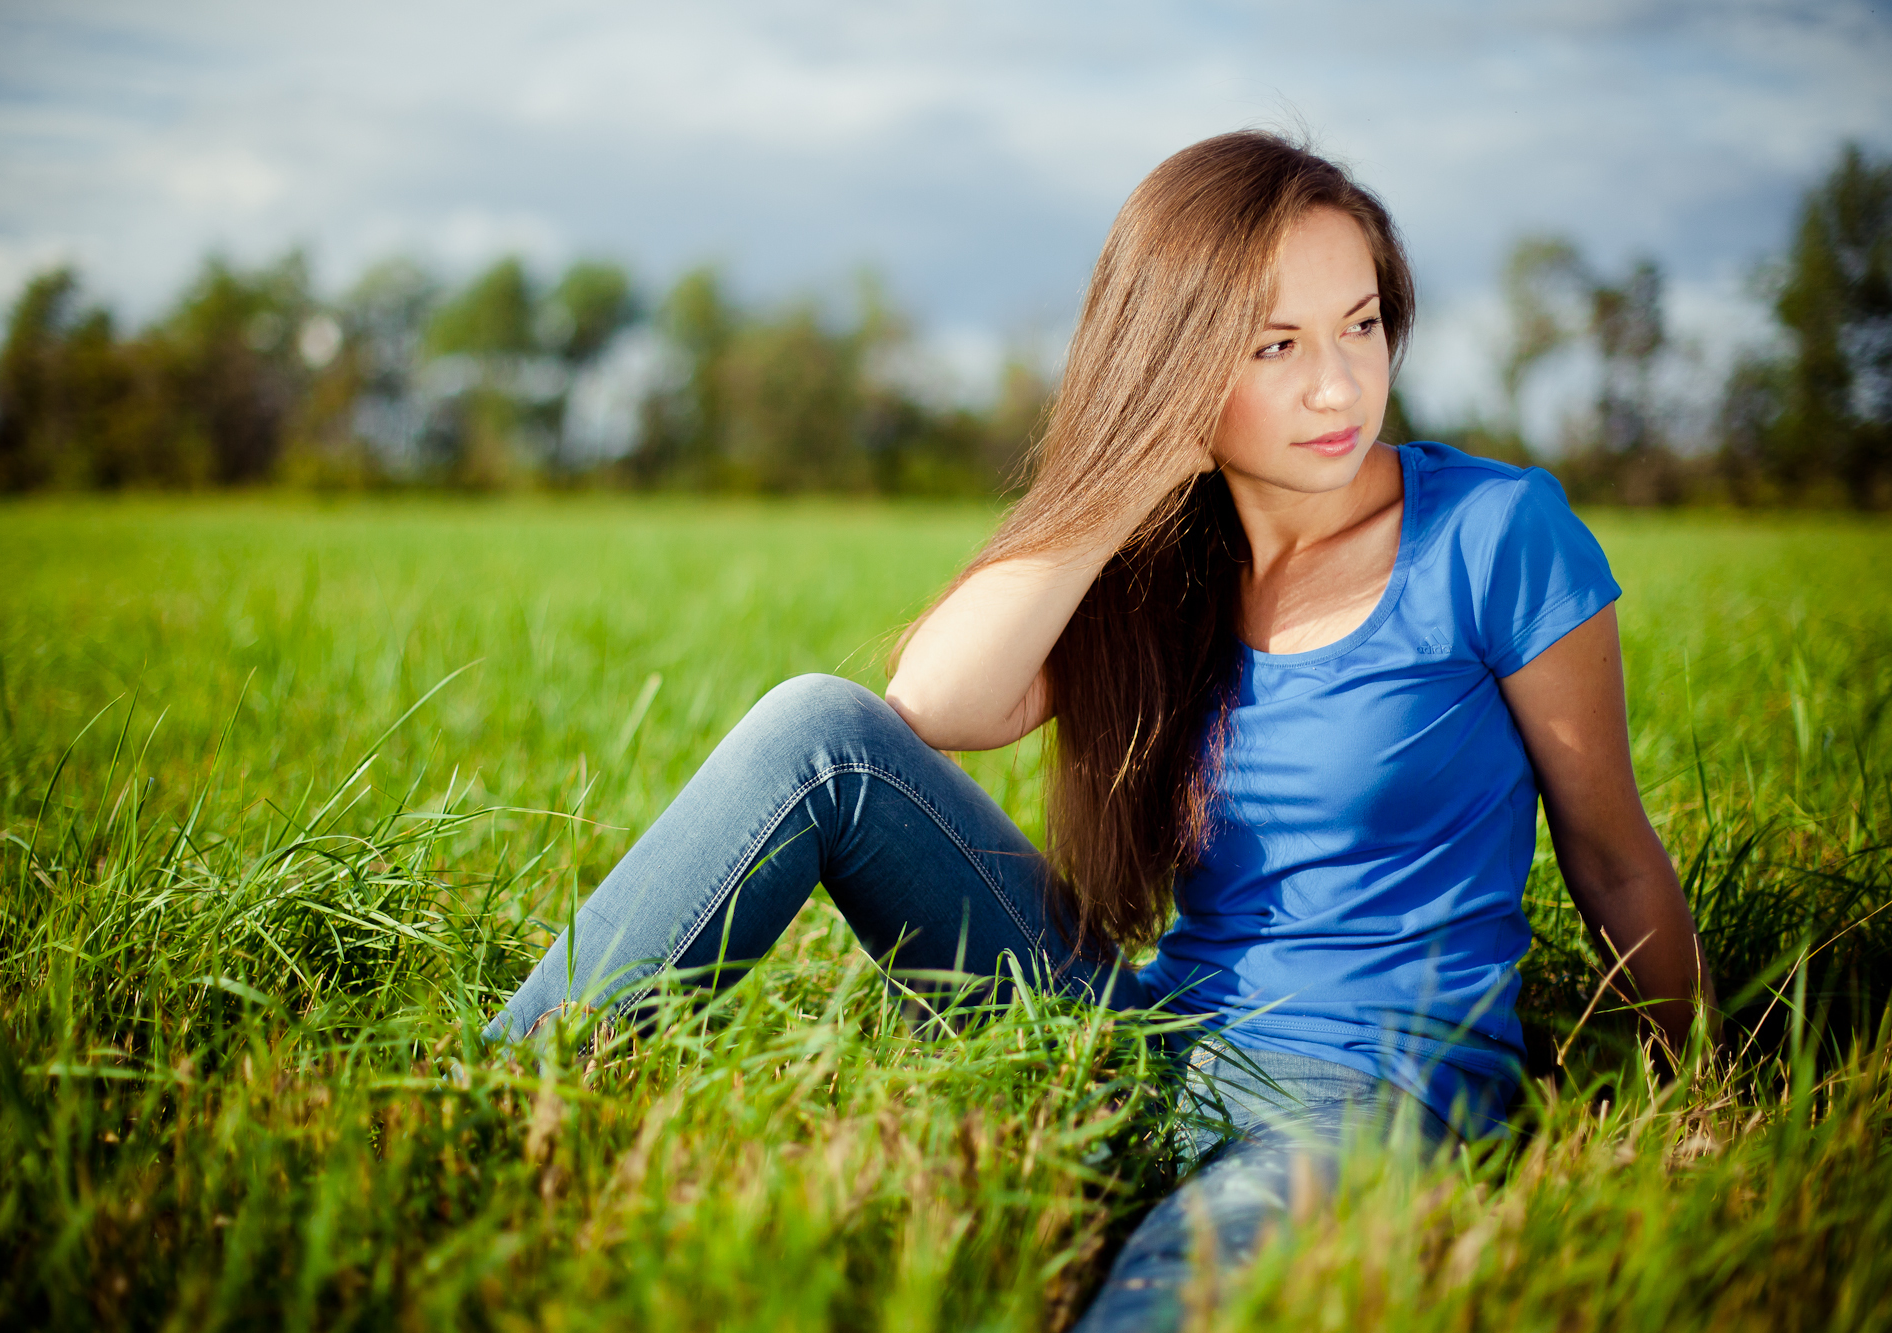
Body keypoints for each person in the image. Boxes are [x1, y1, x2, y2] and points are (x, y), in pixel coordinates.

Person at [483, 131, 1711, 1330]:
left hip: (1363, 1091)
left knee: (1184, 1282)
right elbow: (930, 707)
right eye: (1272, 345)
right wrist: (1129, 474)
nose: (1337, 385)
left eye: (1360, 325)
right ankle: (496, 1099)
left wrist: (1688, 1100)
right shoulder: (1162, 566)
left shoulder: (1495, 534)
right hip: (1144, 1037)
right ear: (1173, 364)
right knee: (821, 731)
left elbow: (1608, 852)